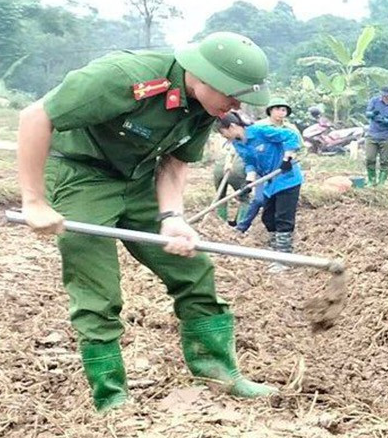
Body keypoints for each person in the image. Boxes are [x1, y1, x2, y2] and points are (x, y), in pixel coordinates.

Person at [15, 31, 277, 410]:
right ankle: (112, 398)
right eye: (232, 94)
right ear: (203, 77)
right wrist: (34, 201)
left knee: (193, 268)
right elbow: (35, 116)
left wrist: (172, 217)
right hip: (81, 177)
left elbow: (174, 161)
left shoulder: (207, 107)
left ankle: (219, 375)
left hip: (138, 180)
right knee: (98, 289)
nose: (237, 105)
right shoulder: (123, 76)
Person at [233, 97, 305, 263]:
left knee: (283, 218)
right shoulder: (238, 143)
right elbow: (250, 162)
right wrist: (249, 182)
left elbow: (291, 138)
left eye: (283, 109)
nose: (281, 112)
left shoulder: (260, 130)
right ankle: (275, 250)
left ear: (232, 126)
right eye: (278, 109)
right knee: (268, 218)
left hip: (287, 178)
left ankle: (283, 258)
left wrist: (287, 158)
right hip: (269, 181)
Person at [363, 85, 388, 187]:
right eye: (383, 95)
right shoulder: (374, 101)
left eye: (386, 96)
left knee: (384, 160)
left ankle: (381, 182)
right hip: (372, 134)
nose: (384, 98)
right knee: (369, 158)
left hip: (386, 136)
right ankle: (371, 180)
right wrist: (373, 114)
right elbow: (367, 113)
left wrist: (386, 121)